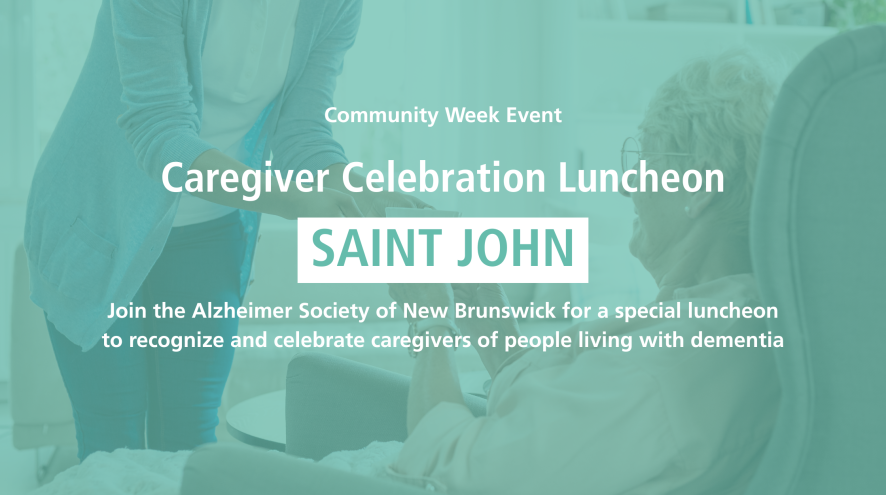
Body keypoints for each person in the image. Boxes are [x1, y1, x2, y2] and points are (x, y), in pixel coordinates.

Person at [24, 0, 425, 461]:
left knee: (190, 440)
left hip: (211, 228)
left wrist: (365, 194)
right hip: (97, 221)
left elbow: (301, 131)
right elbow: (159, 129)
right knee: (113, 443)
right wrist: (293, 200)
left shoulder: (335, 6)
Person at [383, 49, 782, 493]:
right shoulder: (730, 315)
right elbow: (561, 426)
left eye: (646, 158)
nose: (627, 182)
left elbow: (443, 473)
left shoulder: (666, 366)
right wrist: (483, 309)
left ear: (699, 185)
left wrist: (431, 321)